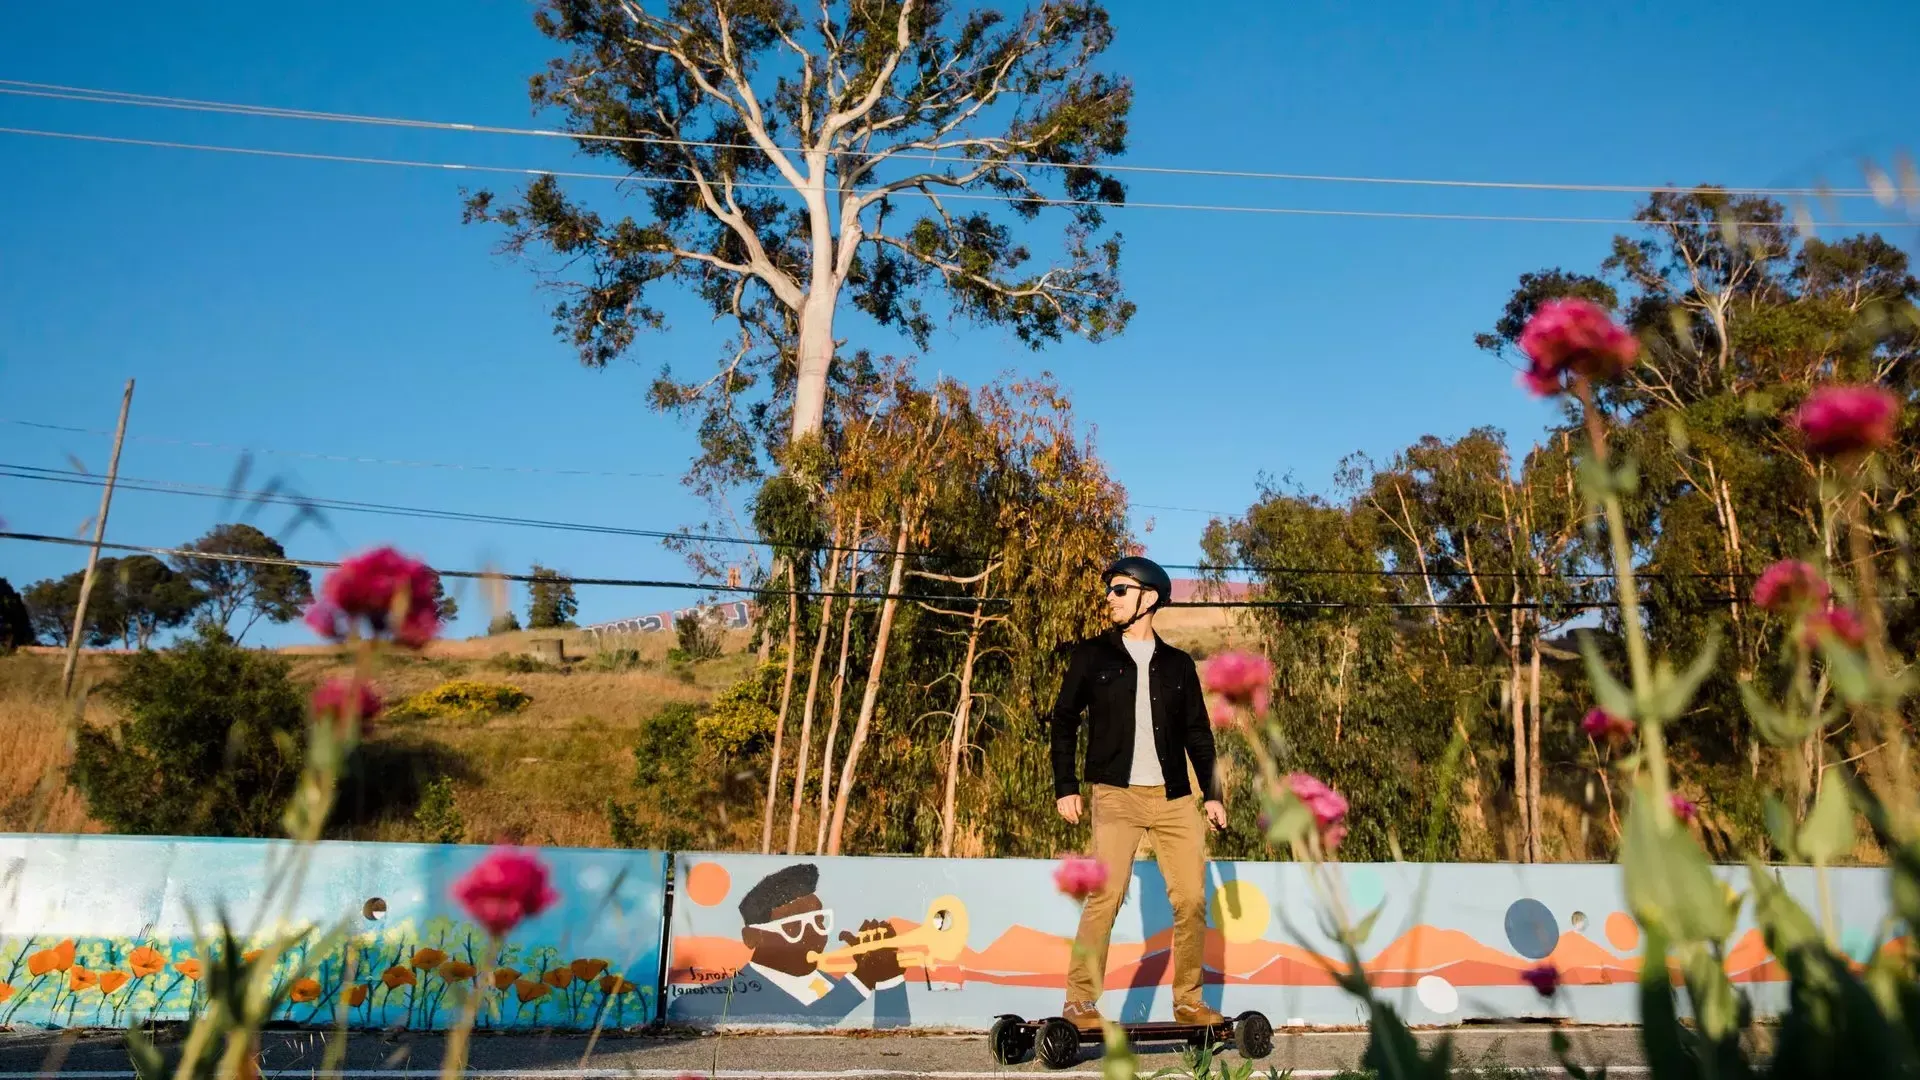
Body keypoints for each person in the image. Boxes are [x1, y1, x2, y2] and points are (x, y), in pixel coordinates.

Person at [1047, 555, 1228, 1032]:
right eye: (1109, 589)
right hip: (1115, 796)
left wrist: (1213, 794)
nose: (1109, 597)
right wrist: (1065, 786)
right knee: (1106, 895)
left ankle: (1189, 1003)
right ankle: (1080, 1002)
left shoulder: (1178, 664)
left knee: (1191, 900)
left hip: (1174, 798)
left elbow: (1199, 733)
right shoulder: (1091, 656)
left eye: (1120, 590)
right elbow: (1064, 721)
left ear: (1149, 598)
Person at [669, 863, 910, 1027]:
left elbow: (892, 1047)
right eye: (794, 928)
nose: (813, 936)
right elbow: (807, 1027)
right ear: (752, 937)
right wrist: (862, 978)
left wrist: (889, 976)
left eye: (819, 922)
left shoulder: (831, 985)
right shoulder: (699, 1004)